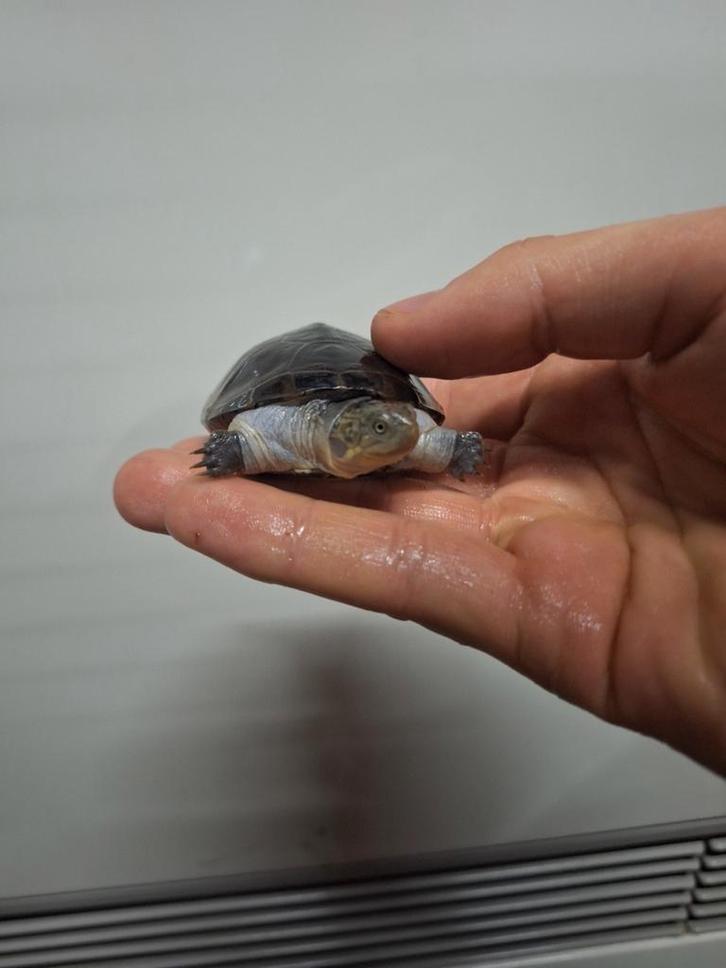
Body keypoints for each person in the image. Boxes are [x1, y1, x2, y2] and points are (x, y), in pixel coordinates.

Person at [114, 207, 726, 776]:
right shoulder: (279, 430)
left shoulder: (405, 434)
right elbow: (246, 433)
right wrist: (236, 451)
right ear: (341, 432)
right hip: (285, 418)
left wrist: (443, 445)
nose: (404, 433)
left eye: (400, 425)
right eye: (382, 428)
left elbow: (425, 436)